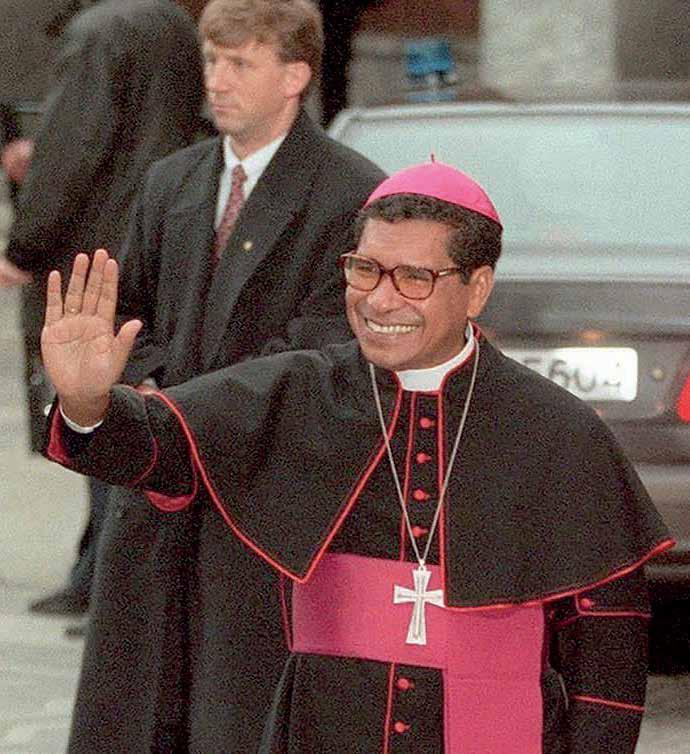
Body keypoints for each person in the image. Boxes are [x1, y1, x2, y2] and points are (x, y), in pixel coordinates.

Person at [42, 161, 673, 753]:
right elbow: (160, 445)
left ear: (477, 288)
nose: (379, 299)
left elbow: (606, 640)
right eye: (365, 269)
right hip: (325, 725)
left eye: (415, 278)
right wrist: (87, 401)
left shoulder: (556, 430)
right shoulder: (297, 392)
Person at [54, 0, 385, 750]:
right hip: (156, 483)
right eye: (211, 59)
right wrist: (140, 389)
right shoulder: (171, 179)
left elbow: (328, 345)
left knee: (235, 706)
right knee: (138, 699)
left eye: (240, 62)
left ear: (295, 75)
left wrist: (189, 413)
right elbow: (129, 309)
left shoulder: (351, 192)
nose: (218, 80)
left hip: (263, 491)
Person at [0, 0, 205, 619]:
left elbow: (75, 146)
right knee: (131, 402)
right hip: (154, 235)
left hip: (93, 249)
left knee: (91, 404)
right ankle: (98, 570)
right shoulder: (172, 22)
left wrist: (25, 244)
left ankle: (104, 579)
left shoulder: (100, 32)